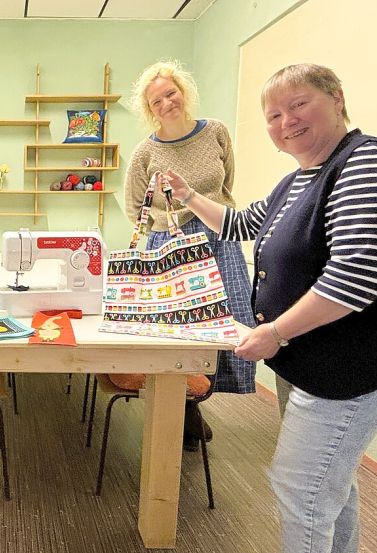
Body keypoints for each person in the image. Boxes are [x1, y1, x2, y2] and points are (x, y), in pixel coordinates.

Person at [164, 63, 377, 552]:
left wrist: (274, 332)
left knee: (302, 486)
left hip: (361, 358)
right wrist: (189, 196)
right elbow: (237, 223)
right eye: (273, 115)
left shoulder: (371, 162)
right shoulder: (299, 180)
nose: (286, 122)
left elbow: (353, 280)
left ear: (336, 98)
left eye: (299, 105)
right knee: (327, 480)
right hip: (319, 354)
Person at [123, 60, 258, 448]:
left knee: (225, 323)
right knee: (177, 329)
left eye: (171, 93)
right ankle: (185, 408)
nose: (166, 103)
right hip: (170, 246)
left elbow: (226, 184)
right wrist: (169, 226)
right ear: (149, 110)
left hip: (218, 238)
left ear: (183, 92)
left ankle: (196, 398)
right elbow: (137, 209)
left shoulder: (215, 132)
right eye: (157, 100)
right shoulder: (145, 153)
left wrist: (204, 213)